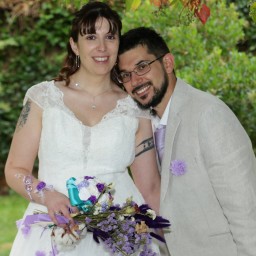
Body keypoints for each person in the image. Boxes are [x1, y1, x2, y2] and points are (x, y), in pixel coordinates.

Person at [4, 4, 162, 255]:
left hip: (120, 237)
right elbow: (14, 170)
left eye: (110, 37)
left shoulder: (135, 108)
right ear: (75, 45)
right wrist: (47, 195)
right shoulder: (42, 98)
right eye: (91, 37)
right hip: (53, 231)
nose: (102, 47)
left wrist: (165, 242)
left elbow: (150, 187)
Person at [117, 27, 256, 256]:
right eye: (126, 75)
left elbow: (247, 210)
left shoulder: (208, 115)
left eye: (142, 67)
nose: (135, 80)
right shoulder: (143, 127)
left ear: (168, 63)